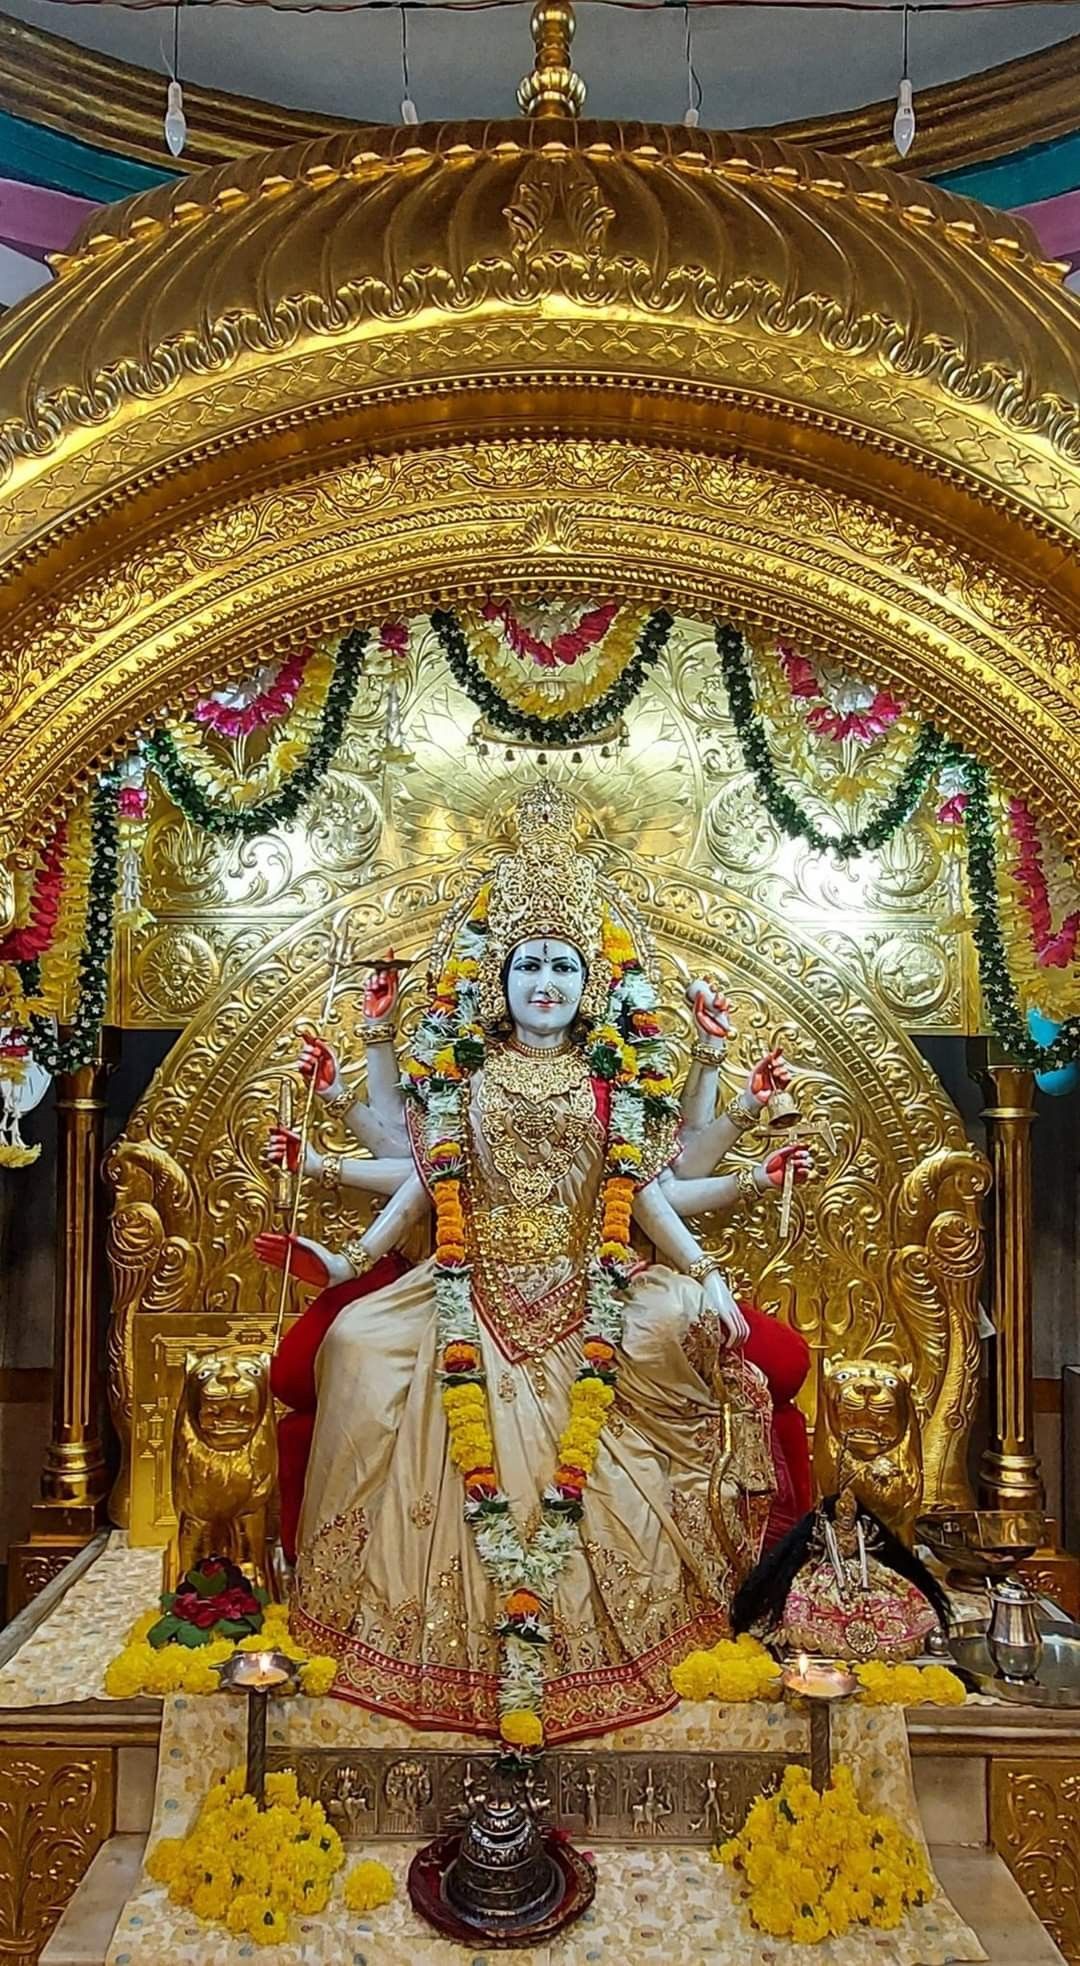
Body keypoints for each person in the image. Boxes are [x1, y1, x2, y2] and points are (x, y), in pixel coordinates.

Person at [256, 784, 814, 1744]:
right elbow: (429, 1187)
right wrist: (350, 1256)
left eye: (563, 965)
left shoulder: (611, 1090)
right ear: (500, 982)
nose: (546, 980)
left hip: (588, 1285)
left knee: (680, 1324)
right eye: (528, 964)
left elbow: (637, 1193)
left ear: (589, 987)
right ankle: (387, 1622)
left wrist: (706, 1268)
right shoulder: (460, 1082)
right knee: (353, 1340)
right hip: (467, 1289)